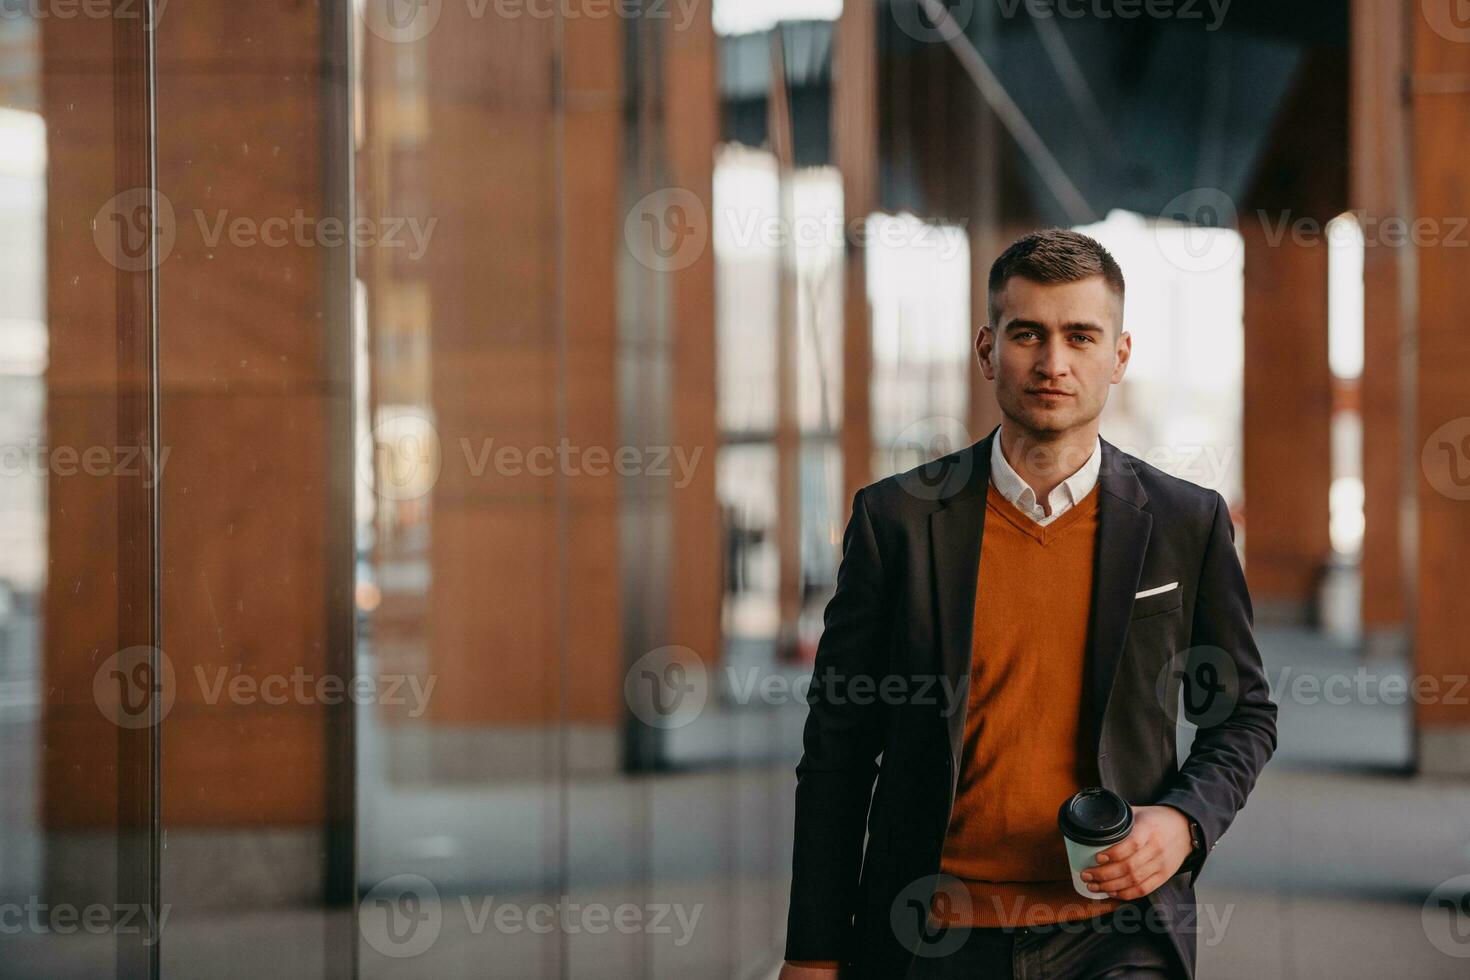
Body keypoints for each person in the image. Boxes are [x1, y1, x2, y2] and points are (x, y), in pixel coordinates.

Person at [779, 229, 1277, 979]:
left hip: (1119, 935)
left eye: (1081, 336)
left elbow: (1241, 713)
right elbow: (837, 752)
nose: (1054, 363)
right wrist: (814, 950)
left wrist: (1184, 822)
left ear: (1120, 355)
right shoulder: (898, 523)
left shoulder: (1185, 522)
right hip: (933, 935)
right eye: (1027, 335)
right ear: (987, 350)